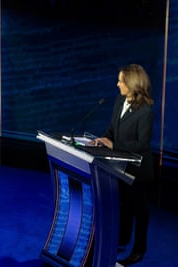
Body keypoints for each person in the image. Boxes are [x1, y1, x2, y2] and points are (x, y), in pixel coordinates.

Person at [92, 64, 154, 266]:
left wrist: (114, 144)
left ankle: (139, 249)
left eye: (121, 81)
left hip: (138, 169)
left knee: (139, 210)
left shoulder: (145, 111)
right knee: (125, 205)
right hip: (120, 165)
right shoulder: (120, 101)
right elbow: (112, 129)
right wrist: (103, 139)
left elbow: (142, 143)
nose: (117, 84)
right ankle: (123, 239)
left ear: (132, 84)